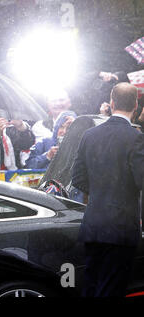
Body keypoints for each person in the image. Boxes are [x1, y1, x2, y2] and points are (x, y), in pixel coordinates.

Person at [72, 82, 144, 297]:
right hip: (121, 228)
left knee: (91, 286)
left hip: (93, 225)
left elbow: (77, 178)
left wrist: (101, 192)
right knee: (112, 289)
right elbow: (142, 181)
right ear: (136, 104)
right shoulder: (136, 138)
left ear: (111, 103)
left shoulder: (89, 135)